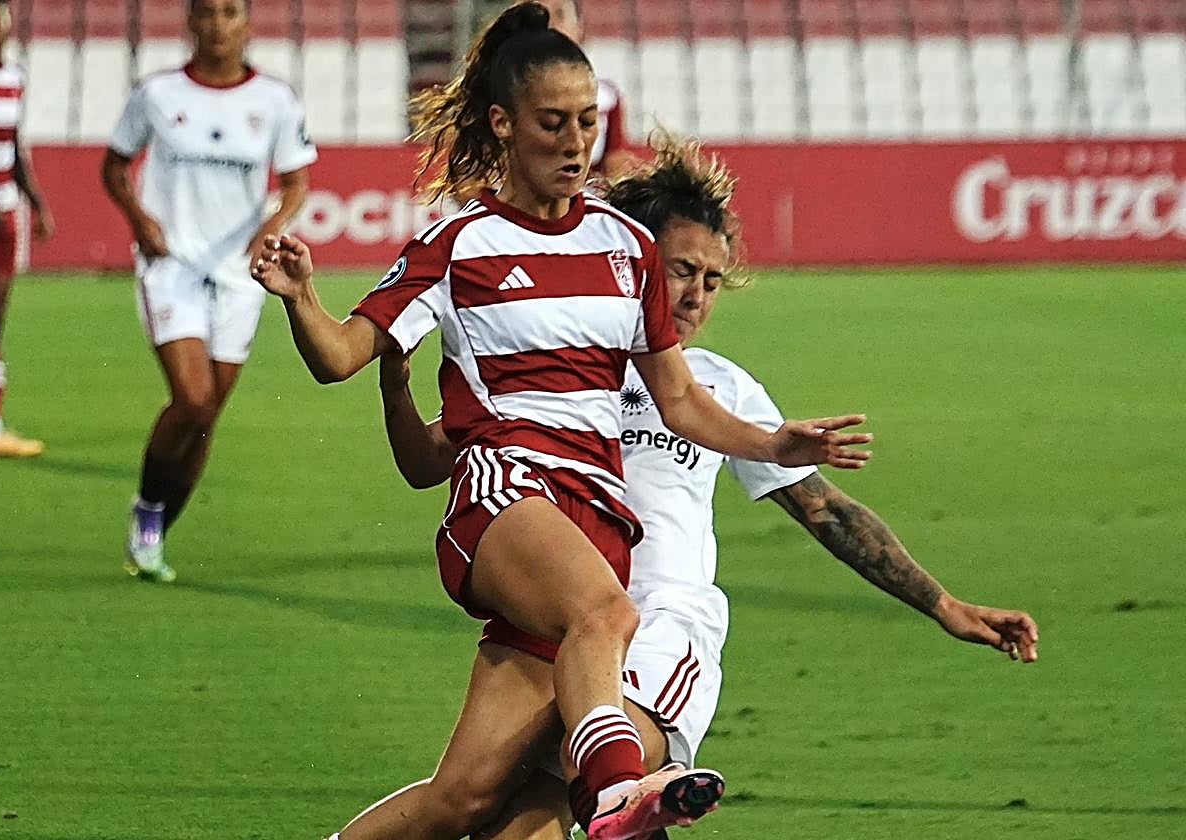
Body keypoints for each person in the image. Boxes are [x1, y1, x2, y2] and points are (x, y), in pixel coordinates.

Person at [250, 5, 870, 839]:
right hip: (504, 495)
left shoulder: (626, 246)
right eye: (554, 124)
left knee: (463, 799)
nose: (577, 144)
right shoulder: (456, 244)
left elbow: (679, 399)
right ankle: (615, 789)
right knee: (608, 617)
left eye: (588, 122)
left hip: (594, 519)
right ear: (504, 126)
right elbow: (340, 355)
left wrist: (772, 442)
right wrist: (301, 301)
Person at [348, 133, 1041, 840]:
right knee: (462, 803)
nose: (696, 295)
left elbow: (825, 510)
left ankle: (631, 796)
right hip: (551, 619)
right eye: (682, 270)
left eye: (712, 280)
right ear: (633, 260)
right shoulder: (558, 359)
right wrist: (395, 388)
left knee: (567, 788)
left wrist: (943, 603)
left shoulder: (717, 385)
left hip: (659, 626)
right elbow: (432, 459)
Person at [101, 0, 315, 583]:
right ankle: (147, 510)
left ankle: (157, 531)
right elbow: (114, 167)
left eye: (230, 12)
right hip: (171, 264)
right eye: (208, 13)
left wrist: (271, 226)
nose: (219, 24)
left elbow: (296, 180)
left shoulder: (274, 100)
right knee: (193, 399)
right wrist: (141, 222)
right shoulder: (157, 94)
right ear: (190, 22)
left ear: (246, 23)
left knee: (207, 415)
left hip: (239, 272)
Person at [0, 0, 54, 458]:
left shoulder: (14, 77)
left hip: (5, 211)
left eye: (0, 18)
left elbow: (13, 145)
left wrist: (35, 200)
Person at [540, 0, 636, 177]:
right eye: (541, 16)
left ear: (579, 27)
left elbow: (615, 161)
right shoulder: (506, 91)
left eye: (560, 15)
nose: (551, 25)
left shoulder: (606, 97)